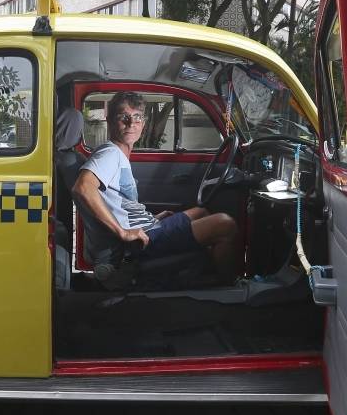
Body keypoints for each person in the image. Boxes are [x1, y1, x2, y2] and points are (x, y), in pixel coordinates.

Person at [72, 92, 241, 280]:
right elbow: (83, 187)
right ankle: (229, 287)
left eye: (137, 117)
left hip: (148, 226)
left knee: (200, 212)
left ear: (143, 124)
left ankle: (206, 272)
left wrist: (152, 218)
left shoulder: (119, 155)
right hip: (141, 241)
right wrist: (123, 232)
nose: (131, 123)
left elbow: (119, 206)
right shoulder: (109, 154)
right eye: (123, 117)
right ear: (110, 120)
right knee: (225, 224)